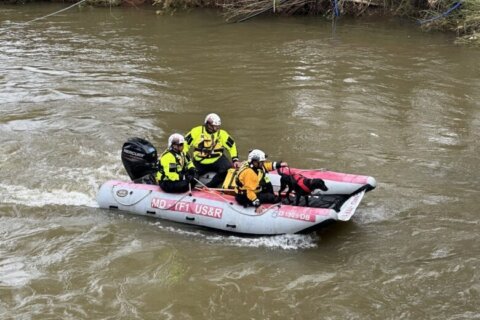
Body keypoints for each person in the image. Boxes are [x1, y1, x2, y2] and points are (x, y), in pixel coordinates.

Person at [184, 113, 240, 188]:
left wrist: (235, 159)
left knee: (227, 168)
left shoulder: (222, 134)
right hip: (200, 161)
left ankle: (210, 186)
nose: (214, 129)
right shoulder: (196, 131)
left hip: (217, 159)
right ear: (207, 124)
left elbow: (232, 146)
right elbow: (184, 144)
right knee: (191, 174)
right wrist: (186, 159)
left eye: (216, 127)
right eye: (212, 126)